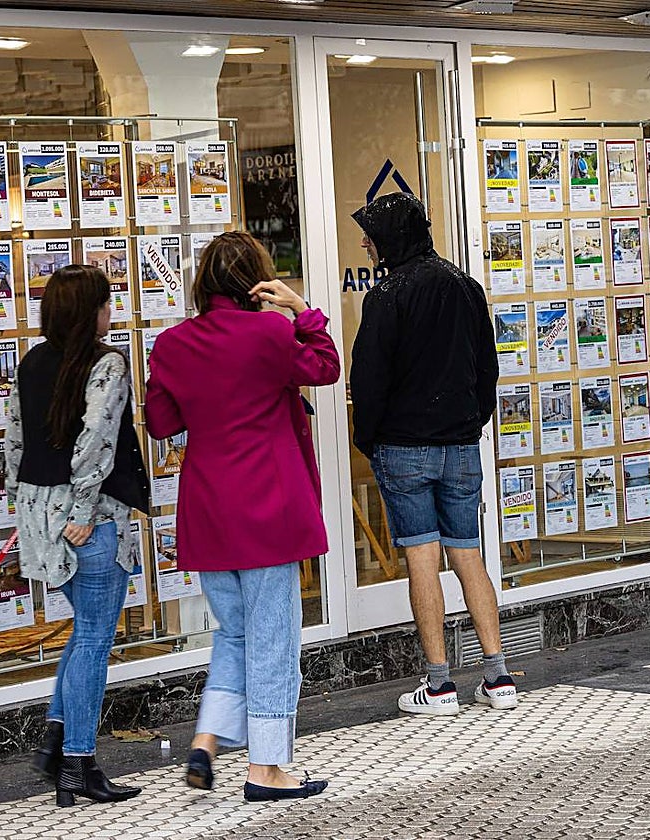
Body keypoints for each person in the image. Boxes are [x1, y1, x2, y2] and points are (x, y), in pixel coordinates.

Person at [145, 231, 340, 803]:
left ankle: (206, 742)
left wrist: (176, 377)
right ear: (257, 279)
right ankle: (268, 767)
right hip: (269, 509)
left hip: (208, 509)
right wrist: (302, 310)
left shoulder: (172, 343)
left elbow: (161, 423)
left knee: (235, 634)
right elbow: (324, 368)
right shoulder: (271, 332)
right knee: (274, 641)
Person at [350, 191, 518, 716]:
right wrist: (471, 422)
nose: (365, 242)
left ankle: (440, 684)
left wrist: (370, 438)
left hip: (405, 448)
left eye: (371, 235)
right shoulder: (466, 286)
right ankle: (498, 675)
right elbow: (486, 367)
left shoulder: (386, 296)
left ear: (389, 240)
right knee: (469, 554)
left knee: (422, 558)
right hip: (461, 444)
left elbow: (368, 380)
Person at [6, 264, 150, 808]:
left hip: (40, 512)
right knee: (95, 638)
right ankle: (78, 764)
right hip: (88, 515)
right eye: (106, 302)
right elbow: (96, 440)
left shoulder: (31, 362)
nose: (110, 312)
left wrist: (30, 512)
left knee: (84, 629)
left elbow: (15, 440)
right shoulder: (106, 364)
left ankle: (56, 740)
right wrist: (86, 507)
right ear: (89, 311)